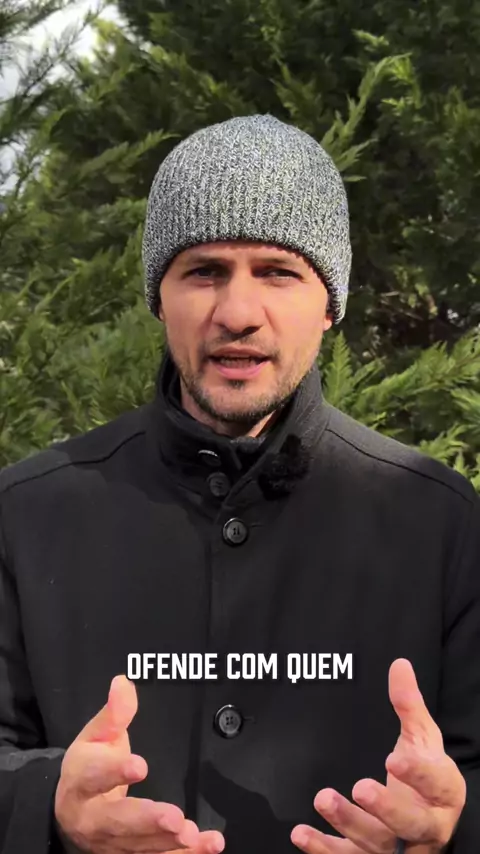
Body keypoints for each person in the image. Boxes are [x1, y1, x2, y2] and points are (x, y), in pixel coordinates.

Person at [0, 114, 478, 854]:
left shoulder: (439, 522)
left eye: (278, 272)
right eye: (204, 271)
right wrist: (49, 807)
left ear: (330, 304)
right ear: (159, 297)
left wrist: (452, 827)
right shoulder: (28, 514)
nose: (237, 314)